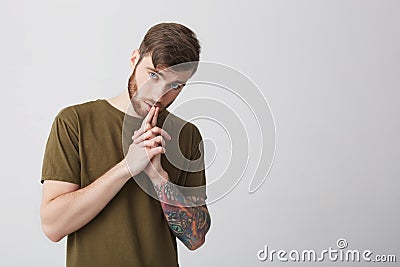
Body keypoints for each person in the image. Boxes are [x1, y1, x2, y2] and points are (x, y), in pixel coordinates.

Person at [40, 22, 211, 267]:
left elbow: (195, 238)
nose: (158, 95)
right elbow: (53, 226)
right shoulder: (74, 122)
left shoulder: (187, 135)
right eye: (153, 75)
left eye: (175, 86)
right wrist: (127, 167)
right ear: (134, 59)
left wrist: (159, 178)